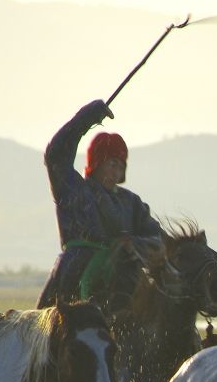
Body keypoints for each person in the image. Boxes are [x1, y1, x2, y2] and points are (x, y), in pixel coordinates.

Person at [37, 99, 163, 309]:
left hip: (124, 277)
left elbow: (158, 238)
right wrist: (86, 118)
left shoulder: (131, 202)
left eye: (120, 166)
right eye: (111, 164)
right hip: (73, 274)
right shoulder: (74, 190)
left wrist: (134, 244)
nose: (115, 172)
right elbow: (56, 156)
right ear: (96, 164)